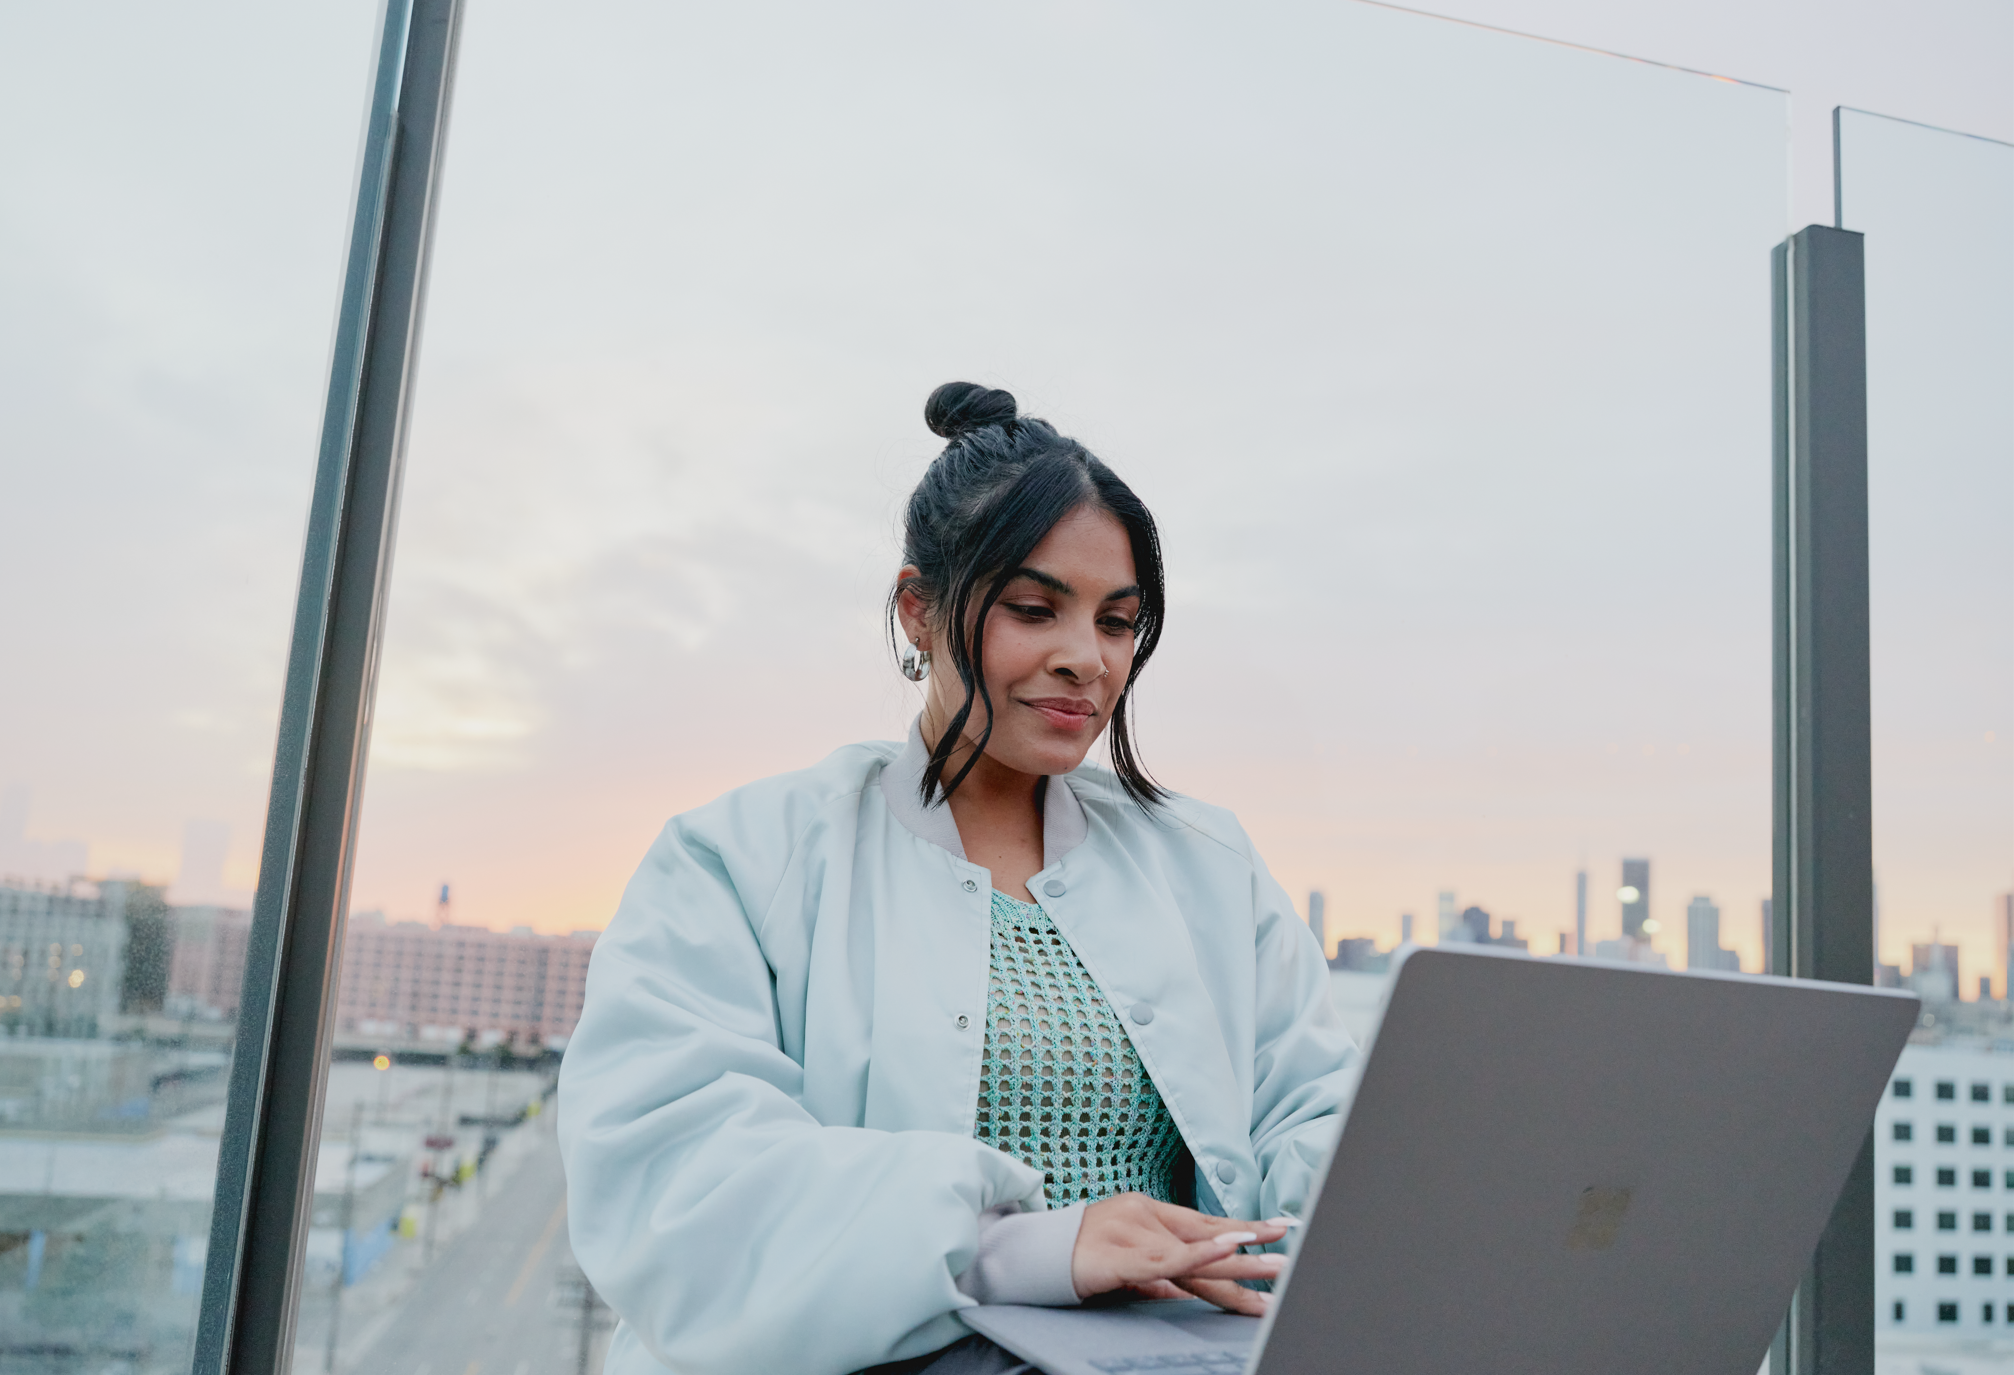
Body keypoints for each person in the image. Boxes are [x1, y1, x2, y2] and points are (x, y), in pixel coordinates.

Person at [558, 383, 1356, 1375]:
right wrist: (1029, 1248)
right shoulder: (741, 856)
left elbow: (1315, 1118)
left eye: (1117, 622)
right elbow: (677, 1180)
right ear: (918, 611)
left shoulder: (1208, 863)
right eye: (1033, 609)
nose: (1085, 660)